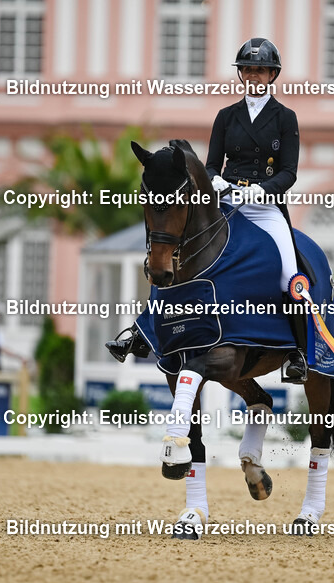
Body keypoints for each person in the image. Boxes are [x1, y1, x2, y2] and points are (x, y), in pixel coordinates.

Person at [106, 37, 309, 383]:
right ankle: (141, 332)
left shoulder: (284, 117)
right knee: (176, 255)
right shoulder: (227, 116)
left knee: (291, 276)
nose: (253, 76)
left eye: (260, 71)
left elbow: (289, 171)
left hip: (265, 207)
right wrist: (215, 181)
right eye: (247, 70)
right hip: (227, 201)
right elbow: (213, 163)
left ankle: (299, 354)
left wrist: (263, 189)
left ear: (272, 75)